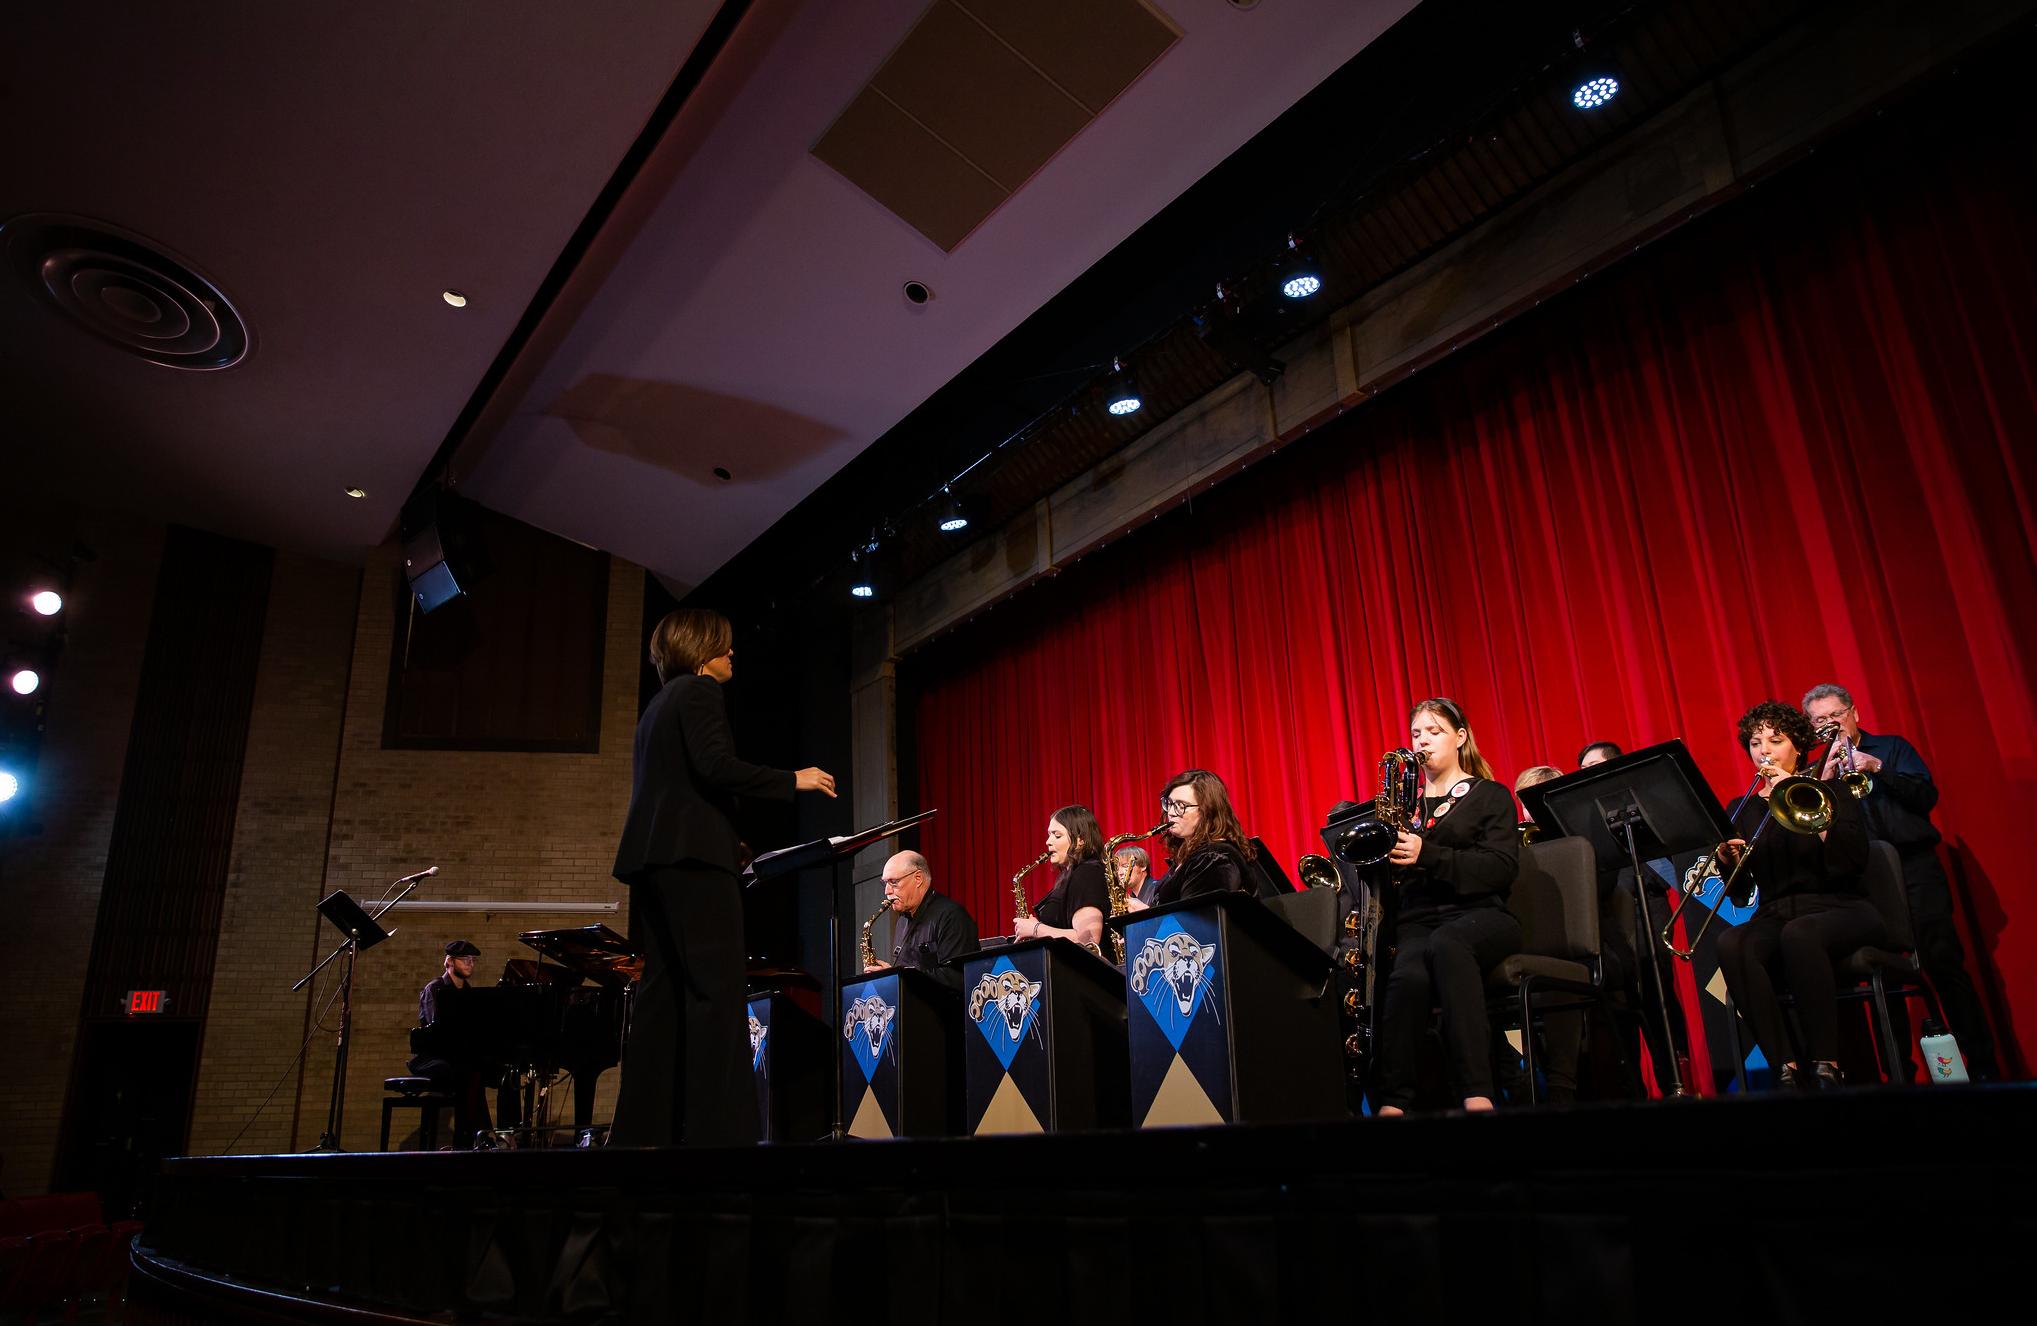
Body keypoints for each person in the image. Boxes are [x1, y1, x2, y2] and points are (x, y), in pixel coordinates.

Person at [610, 608, 836, 1147]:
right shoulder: (699, 692)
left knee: (662, 1000)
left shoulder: (657, 707)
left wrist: (727, 834)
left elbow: (680, 785)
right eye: (725, 645)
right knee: (717, 994)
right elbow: (715, 765)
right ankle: (722, 1140)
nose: (732, 654)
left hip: (655, 862)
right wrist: (792, 779)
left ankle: (644, 1138)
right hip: (694, 864)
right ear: (701, 651)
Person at [1802, 683, 1999, 1079]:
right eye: (1819, 720)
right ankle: (1900, 1076)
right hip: (1865, 882)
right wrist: (1823, 781)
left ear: (1854, 713)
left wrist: (1876, 767)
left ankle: (1983, 1070)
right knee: (1882, 977)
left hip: (1914, 869)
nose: (1829, 725)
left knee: (1943, 964)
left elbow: (1926, 796)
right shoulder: (1816, 767)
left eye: (1834, 716)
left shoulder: (1891, 748)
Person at [1712, 701, 1882, 1089]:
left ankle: (1827, 1063)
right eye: (1756, 743)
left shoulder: (1828, 789)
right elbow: (1741, 895)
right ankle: (1785, 1067)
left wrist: (1813, 814)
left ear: (1798, 747)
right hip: (1777, 912)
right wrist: (1728, 861)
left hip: (1841, 905)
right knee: (1732, 942)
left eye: (1776, 740)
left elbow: (1854, 861)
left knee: (1800, 933)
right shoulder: (1741, 808)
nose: (1764, 750)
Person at [1371, 698, 1522, 1115]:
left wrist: (1429, 855)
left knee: (1449, 946)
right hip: (1421, 920)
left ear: (1459, 737)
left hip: (1483, 914)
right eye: (1416, 733)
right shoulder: (1407, 809)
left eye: (1434, 731)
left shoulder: (1489, 795)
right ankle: (1394, 1102)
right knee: (1406, 978)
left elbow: (1500, 869)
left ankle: (1478, 1093)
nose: (1422, 740)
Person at [405, 940, 491, 1148]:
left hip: (458, 1056)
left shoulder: (469, 994)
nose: (470, 964)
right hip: (431, 1057)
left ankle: (491, 1135)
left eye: (472, 960)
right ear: (449, 962)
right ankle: (475, 1138)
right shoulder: (435, 989)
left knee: (495, 1072)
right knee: (468, 1072)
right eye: (465, 960)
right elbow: (436, 1030)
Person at [863, 850, 978, 989]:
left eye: (893, 882)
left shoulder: (951, 915)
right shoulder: (902, 921)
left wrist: (899, 976)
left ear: (918, 878)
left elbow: (957, 978)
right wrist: (891, 977)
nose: (887, 891)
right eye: (885, 883)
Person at [1151, 770, 1266, 904]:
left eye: (1180, 805)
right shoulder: (1189, 855)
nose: (1170, 813)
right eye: (1169, 803)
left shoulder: (1214, 858)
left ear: (1207, 810)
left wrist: (1145, 919)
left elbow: (1198, 920)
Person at [1013, 806, 1110, 950]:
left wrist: (1035, 929)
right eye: (1049, 834)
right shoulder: (1072, 875)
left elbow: (1089, 942)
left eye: (1057, 835)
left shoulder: (1087, 874)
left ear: (1080, 840)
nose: (1048, 841)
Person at [1116, 845, 1158, 909]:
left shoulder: (1158, 890)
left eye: (1125, 866)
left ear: (1143, 866)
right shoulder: (1132, 897)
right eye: (1117, 869)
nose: (1119, 873)